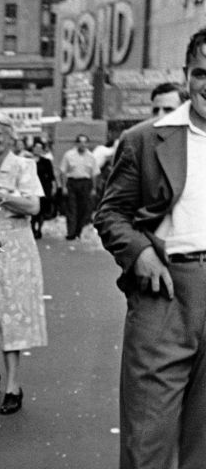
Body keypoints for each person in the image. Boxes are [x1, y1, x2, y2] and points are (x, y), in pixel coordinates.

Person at [94, 27, 206, 469]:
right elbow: (110, 214)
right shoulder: (146, 138)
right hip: (166, 293)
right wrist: (139, 252)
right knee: (148, 438)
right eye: (201, 73)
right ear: (186, 75)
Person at [0, 110, 48, 415]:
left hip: (15, 250)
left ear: (11, 137)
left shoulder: (24, 166)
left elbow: (33, 205)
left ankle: (14, 386)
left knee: (10, 314)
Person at [59, 134, 99, 240]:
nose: (83, 144)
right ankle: (71, 232)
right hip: (72, 183)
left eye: (85, 142)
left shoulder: (91, 157)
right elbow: (63, 171)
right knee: (71, 208)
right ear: (76, 144)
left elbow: (94, 174)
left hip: (85, 184)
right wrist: (64, 186)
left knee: (84, 209)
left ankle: (78, 231)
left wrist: (94, 188)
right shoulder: (69, 155)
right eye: (80, 142)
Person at [30, 139, 56, 239]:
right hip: (31, 188)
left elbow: (51, 176)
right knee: (32, 210)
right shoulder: (28, 161)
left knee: (41, 210)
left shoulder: (46, 161)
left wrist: (53, 187)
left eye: (40, 148)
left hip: (43, 188)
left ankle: (39, 229)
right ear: (33, 149)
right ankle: (32, 228)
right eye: (36, 147)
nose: (38, 150)